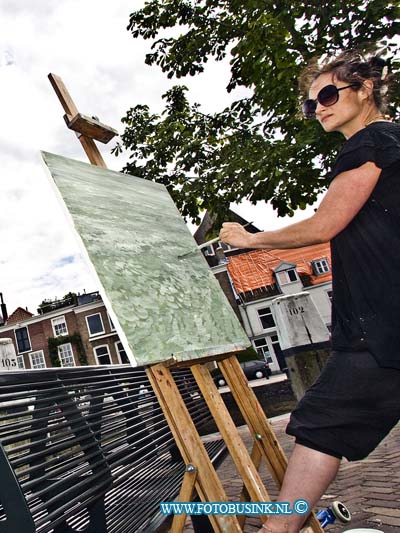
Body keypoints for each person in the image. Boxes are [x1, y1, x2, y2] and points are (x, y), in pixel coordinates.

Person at [220, 49, 400, 533]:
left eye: (326, 94)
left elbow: (327, 223)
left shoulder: (371, 143)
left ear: (365, 90)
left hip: (381, 327)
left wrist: (248, 239)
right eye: (308, 102)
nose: (316, 107)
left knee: (320, 425)